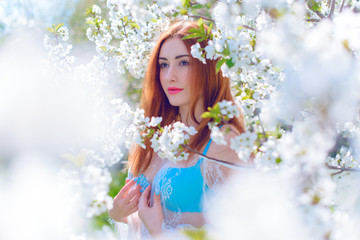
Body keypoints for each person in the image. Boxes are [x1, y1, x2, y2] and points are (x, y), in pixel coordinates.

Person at [109, 20, 246, 239]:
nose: (169, 75)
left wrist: (159, 231)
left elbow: (248, 228)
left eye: (183, 63)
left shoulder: (224, 140)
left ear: (207, 65)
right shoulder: (153, 136)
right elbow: (144, 219)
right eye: (163, 65)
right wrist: (118, 214)